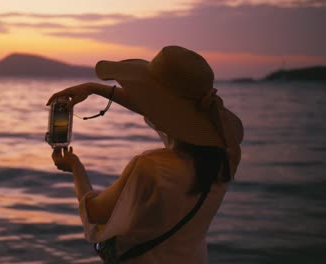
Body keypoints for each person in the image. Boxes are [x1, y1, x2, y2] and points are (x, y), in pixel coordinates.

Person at [47, 46, 243, 263]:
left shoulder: (153, 168)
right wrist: (97, 89)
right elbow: (163, 112)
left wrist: (75, 167)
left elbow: (94, 212)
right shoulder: (226, 155)